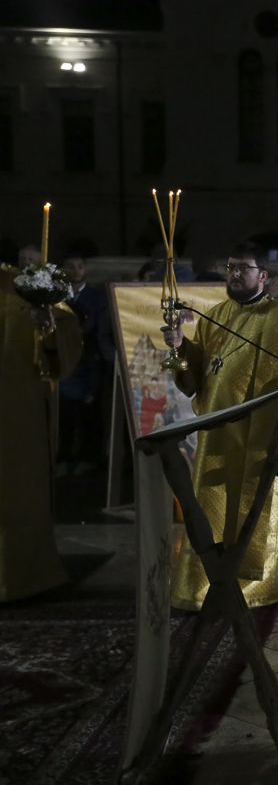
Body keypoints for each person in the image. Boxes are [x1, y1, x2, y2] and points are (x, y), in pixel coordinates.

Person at [162, 241, 278, 611]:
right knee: (210, 513)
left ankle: (259, 586)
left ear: (262, 275)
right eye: (230, 266)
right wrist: (179, 347)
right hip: (216, 437)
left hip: (262, 439)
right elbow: (193, 379)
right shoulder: (213, 317)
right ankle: (202, 587)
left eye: (243, 267)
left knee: (256, 514)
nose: (234, 273)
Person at [0, 261, 83, 600]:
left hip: (18, 418)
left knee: (18, 493)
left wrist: (48, 329)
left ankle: (21, 577)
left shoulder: (23, 286)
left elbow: (63, 348)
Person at [58, 253, 109, 475]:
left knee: (89, 412)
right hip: (64, 357)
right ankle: (65, 457)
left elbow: (98, 325)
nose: (76, 270)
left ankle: (90, 459)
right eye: (70, 266)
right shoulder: (57, 295)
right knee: (65, 413)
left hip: (88, 358)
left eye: (80, 266)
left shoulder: (96, 297)